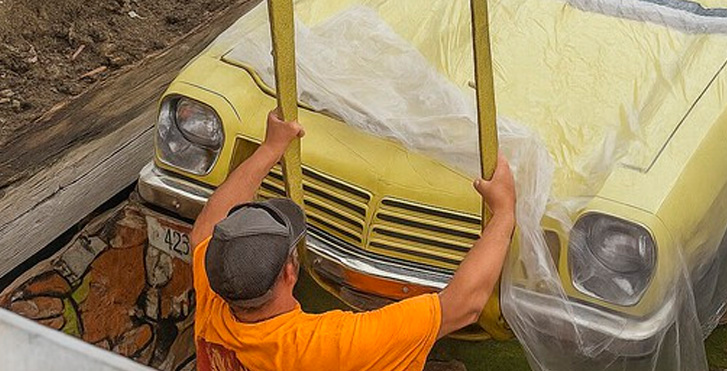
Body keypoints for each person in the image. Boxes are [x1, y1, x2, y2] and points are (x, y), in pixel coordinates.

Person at [189, 111, 517, 371]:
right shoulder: (330, 347)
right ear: (290, 273)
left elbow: (205, 226)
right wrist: (504, 214)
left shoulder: (217, 297)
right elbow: (464, 306)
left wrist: (270, 148)